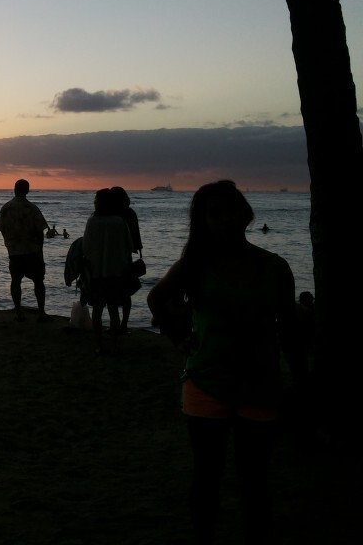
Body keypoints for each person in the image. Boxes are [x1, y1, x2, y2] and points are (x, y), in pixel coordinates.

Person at [146, 180, 306, 545]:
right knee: (207, 477)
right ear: (202, 221)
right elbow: (156, 299)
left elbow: (290, 330)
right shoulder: (196, 266)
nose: (224, 219)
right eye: (214, 213)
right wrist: (178, 338)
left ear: (244, 212)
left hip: (261, 384)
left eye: (230, 210)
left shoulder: (275, 267)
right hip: (206, 382)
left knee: (255, 480)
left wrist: (299, 381)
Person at [82, 188, 133, 355]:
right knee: (113, 310)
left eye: (96, 199)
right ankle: (114, 344)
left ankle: (99, 345)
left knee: (97, 310)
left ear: (100, 203)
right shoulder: (119, 221)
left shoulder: (92, 222)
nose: (94, 202)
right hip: (116, 273)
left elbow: (86, 248)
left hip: (96, 273)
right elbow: (128, 247)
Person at [0, 179, 51, 322]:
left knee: (15, 281)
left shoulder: (6, 208)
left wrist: (9, 243)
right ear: (27, 191)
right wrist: (40, 248)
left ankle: (19, 312)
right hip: (32, 250)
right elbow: (40, 231)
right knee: (38, 281)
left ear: (14, 189)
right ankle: (41, 312)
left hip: (14, 251)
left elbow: (2, 228)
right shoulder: (32, 208)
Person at [111, 186, 144, 334]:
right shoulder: (129, 213)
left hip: (111, 257)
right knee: (125, 293)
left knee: (112, 292)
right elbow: (136, 236)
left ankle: (115, 325)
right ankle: (123, 325)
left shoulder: (111, 213)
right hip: (126, 256)